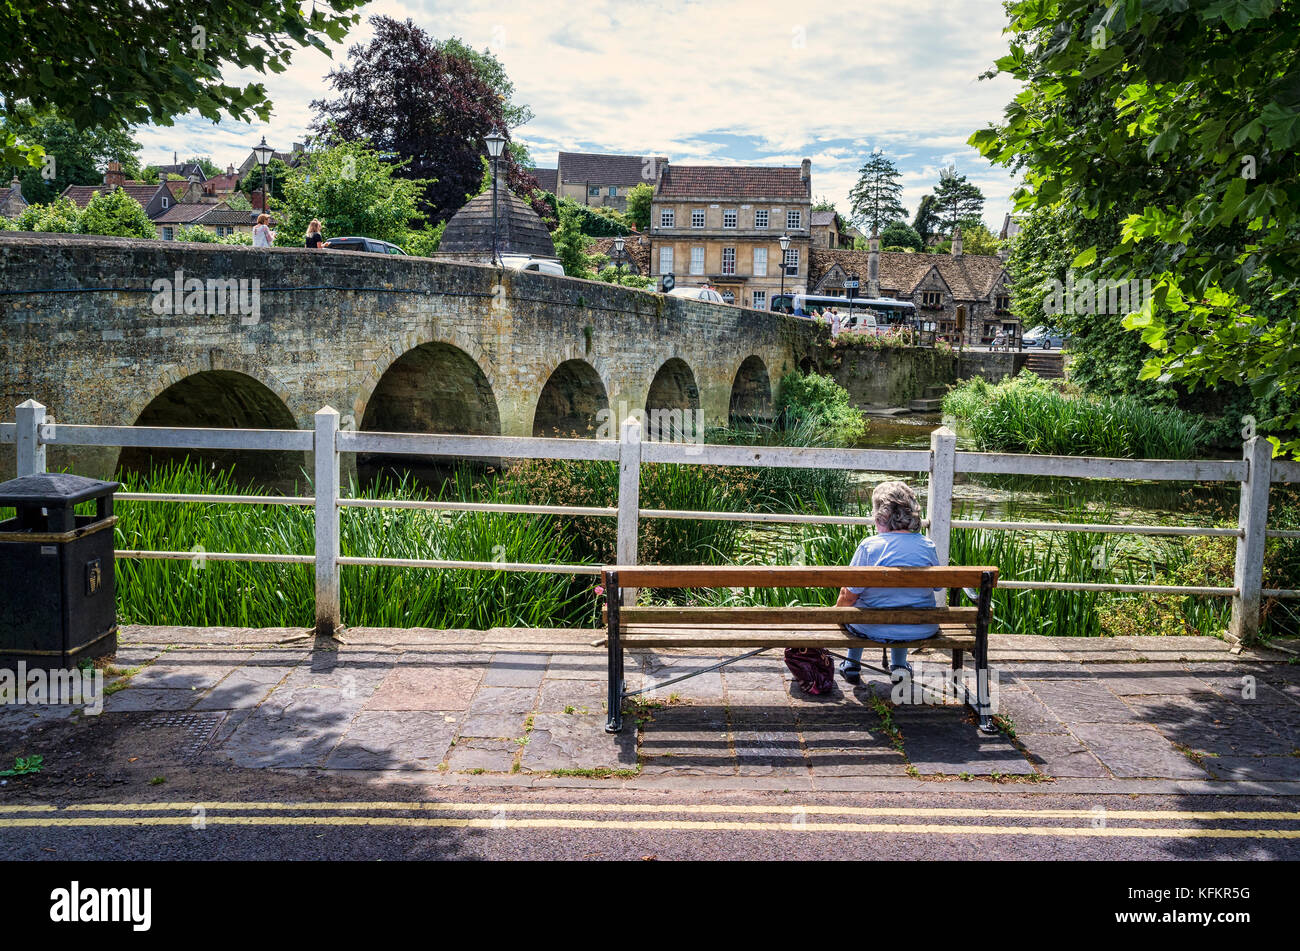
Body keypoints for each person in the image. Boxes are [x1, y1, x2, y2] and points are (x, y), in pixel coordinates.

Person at [836, 480, 941, 685]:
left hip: (874, 628)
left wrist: (837, 613)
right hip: (920, 627)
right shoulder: (927, 545)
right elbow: (938, 586)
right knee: (905, 604)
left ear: (881, 516)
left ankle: (851, 664)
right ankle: (899, 666)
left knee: (856, 605)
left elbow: (848, 595)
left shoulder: (870, 546)